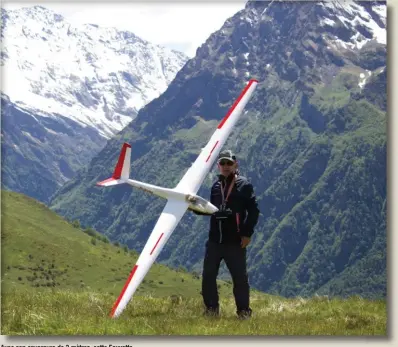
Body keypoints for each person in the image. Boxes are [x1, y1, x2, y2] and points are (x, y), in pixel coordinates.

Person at [192, 149, 260, 319]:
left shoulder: (244, 185)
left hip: (235, 241)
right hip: (214, 241)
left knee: (239, 279)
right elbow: (212, 211)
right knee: (208, 277)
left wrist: (246, 233)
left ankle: (244, 313)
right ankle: (211, 311)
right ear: (218, 166)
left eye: (229, 163)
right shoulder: (215, 186)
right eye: (222, 163)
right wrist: (193, 207)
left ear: (236, 164)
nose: (226, 166)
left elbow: (254, 211)